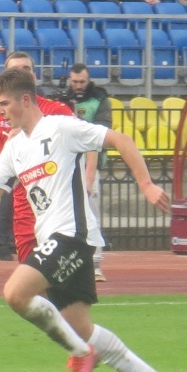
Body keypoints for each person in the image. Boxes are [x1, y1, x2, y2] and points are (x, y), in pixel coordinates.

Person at [0, 68, 173, 372]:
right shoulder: (14, 147)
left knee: (16, 293)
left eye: (4, 104)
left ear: (25, 100)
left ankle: (81, 354)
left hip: (72, 235)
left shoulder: (60, 128)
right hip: (54, 239)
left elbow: (120, 139)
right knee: (80, 327)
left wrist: (146, 185)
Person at [0, 52, 75, 263]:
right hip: (21, 194)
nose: (21, 74)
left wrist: (87, 178)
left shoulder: (57, 110)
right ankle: (3, 246)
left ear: (34, 76)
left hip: (55, 196)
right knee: (29, 267)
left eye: (26, 69)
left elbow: (91, 142)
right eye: (15, 70)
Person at [59, 63, 112, 281]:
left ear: (88, 81)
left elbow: (101, 131)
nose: (78, 86)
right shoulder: (62, 99)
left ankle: (95, 262)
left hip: (91, 161)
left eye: (82, 82)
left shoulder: (99, 99)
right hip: (66, 162)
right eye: (75, 82)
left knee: (91, 212)